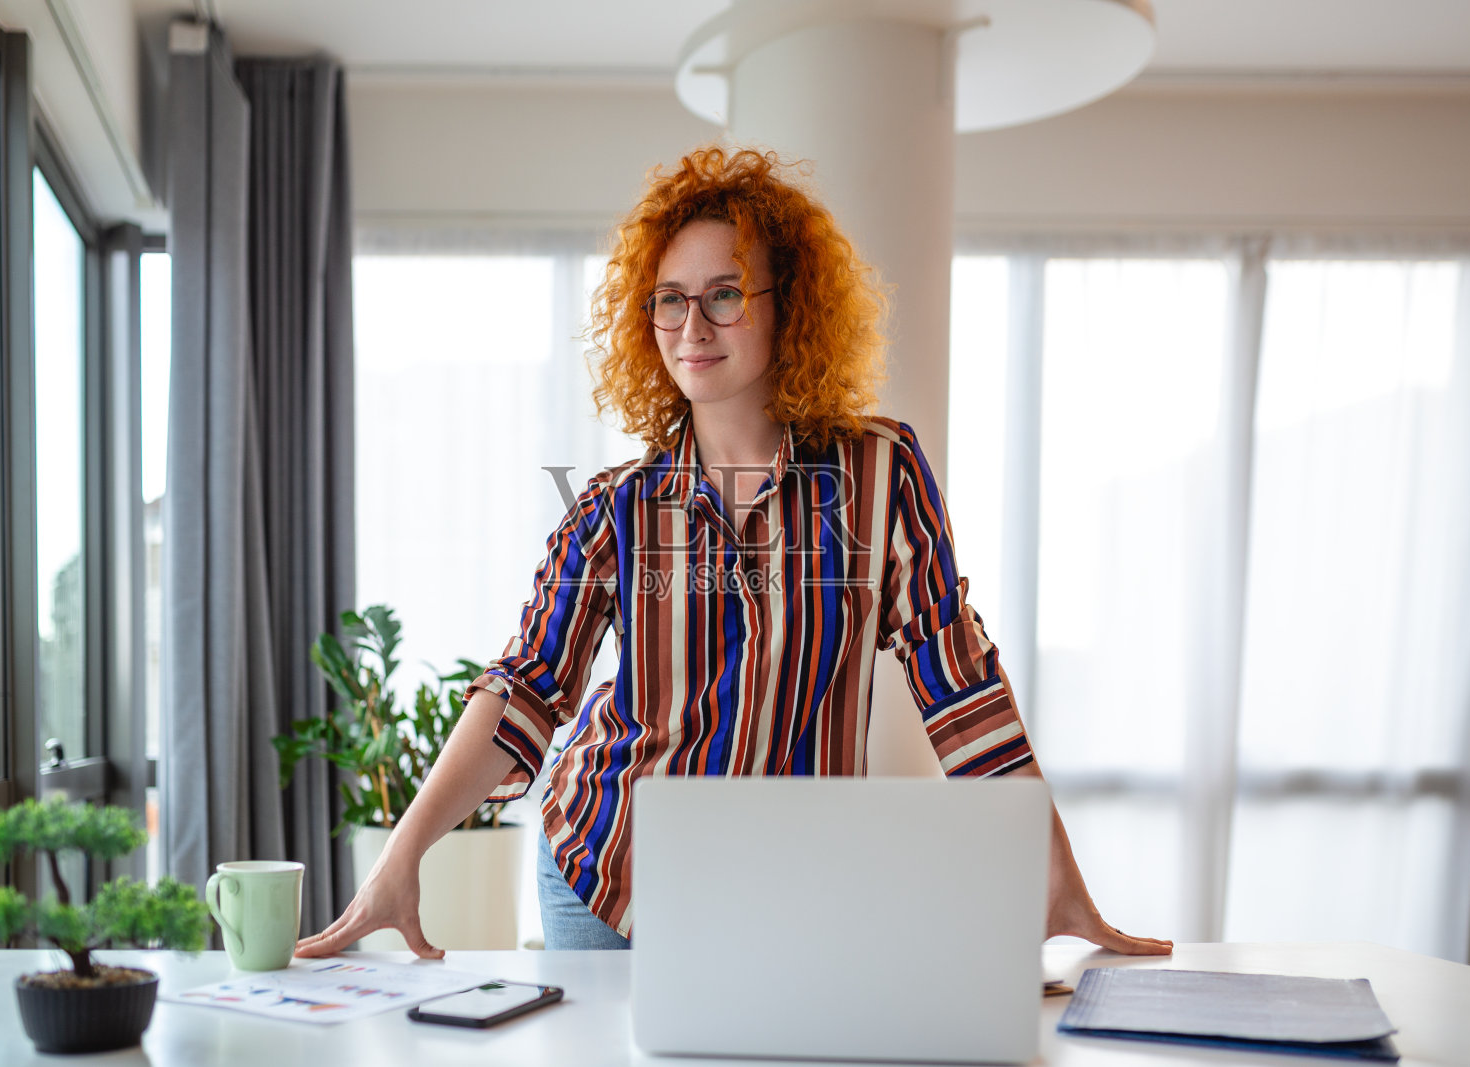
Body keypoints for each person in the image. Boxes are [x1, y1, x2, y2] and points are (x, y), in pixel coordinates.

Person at [295, 146, 1172, 959]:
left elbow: (960, 676)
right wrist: (399, 857)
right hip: (609, 874)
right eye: (670, 299)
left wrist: (1050, 874)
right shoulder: (614, 507)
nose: (693, 325)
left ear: (786, 303)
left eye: (725, 293)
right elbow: (524, 688)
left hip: (789, 888)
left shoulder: (880, 471)